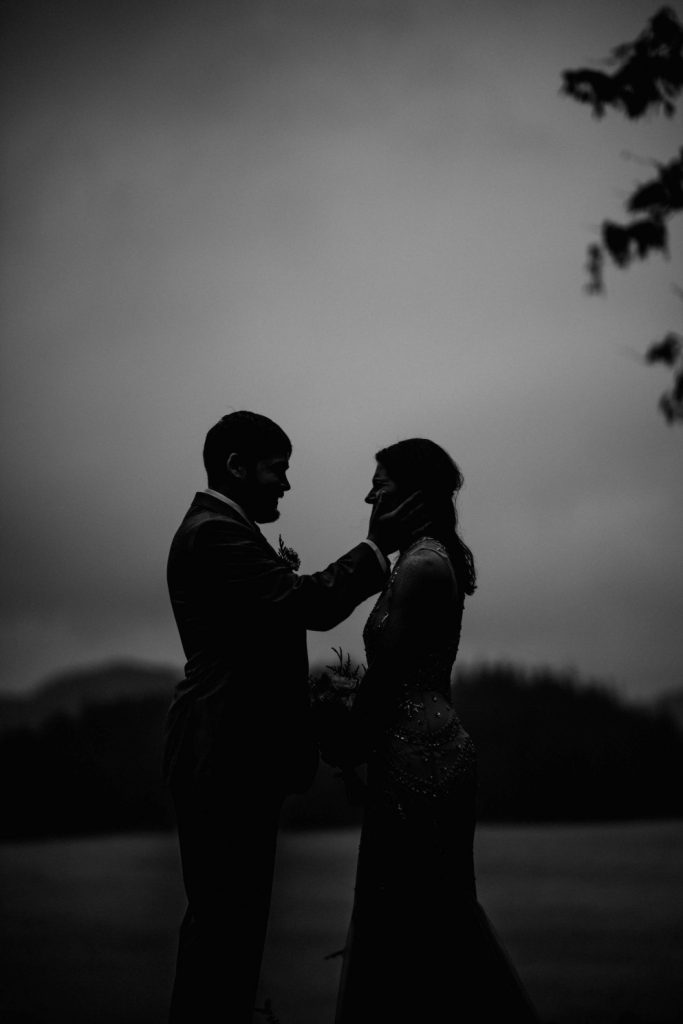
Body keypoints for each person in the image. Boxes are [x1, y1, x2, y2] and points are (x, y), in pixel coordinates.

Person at [163, 411, 426, 1023]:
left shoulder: (224, 530)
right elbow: (305, 603)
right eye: (278, 470)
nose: (285, 485)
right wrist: (374, 547)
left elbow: (262, 640)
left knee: (231, 934)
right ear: (236, 467)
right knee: (222, 936)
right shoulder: (214, 534)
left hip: (230, 757)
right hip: (220, 758)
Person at [312, 438, 540, 1024]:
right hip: (409, 746)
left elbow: (388, 681)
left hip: (424, 761)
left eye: (380, 485)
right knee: (406, 910)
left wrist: (342, 742)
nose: (368, 494)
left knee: (418, 911)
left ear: (412, 494)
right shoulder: (411, 561)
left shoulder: (423, 567)